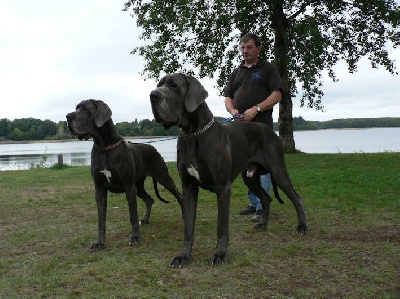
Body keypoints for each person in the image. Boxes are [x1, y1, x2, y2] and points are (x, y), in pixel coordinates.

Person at [224, 33, 283, 222]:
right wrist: (233, 111)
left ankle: (261, 207)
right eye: (242, 48)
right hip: (240, 130)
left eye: (249, 47)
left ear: (258, 48)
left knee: (262, 168)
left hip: (261, 130)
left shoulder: (268, 68)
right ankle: (252, 203)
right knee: (244, 166)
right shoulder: (237, 71)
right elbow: (228, 97)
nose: (245, 51)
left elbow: (277, 95)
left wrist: (256, 109)